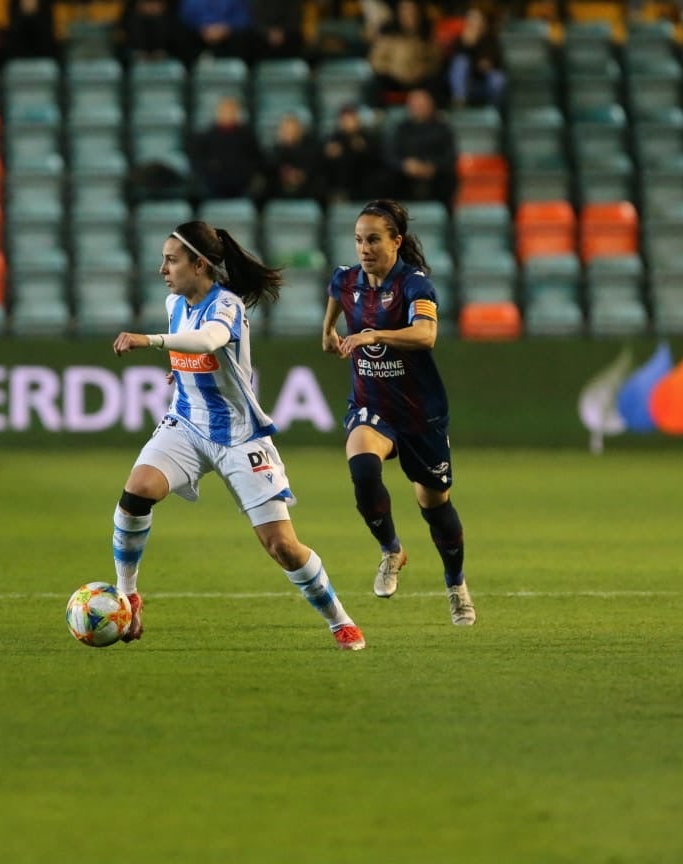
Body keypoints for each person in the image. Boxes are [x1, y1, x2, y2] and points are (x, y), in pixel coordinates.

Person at [110, 221, 367, 651]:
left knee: (282, 546)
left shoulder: (226, 304)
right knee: (136, 492)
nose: (162, 269)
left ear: (200, 263)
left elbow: (209, 340)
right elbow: (192, 348)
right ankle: (127, 595)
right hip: (187, 425)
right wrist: (178, 369)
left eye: (171, 260)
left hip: (240, 437)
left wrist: (149, 340)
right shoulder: (175, 302)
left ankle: (340, 620)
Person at [320, 199, 475, 627]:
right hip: (371, 404)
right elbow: (336, 294)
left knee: (434, 503)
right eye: (358, 240)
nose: (364, 248)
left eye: (373, 239)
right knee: (363, 469)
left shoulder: (415, 285)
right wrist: (329, 331)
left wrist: (372, 334)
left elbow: (426, 335)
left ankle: (456, 584)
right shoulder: (346, 279)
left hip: (419, 413)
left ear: (396, 242)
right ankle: (391, 550)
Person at [383, 87, 458, 204]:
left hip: (435, 175)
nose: (419, 108)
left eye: (422, 105)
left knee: (449, 178)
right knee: (386, 178)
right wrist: (405, 165)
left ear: (431, 106)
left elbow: (450, 156)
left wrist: (432, 167)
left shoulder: (442, 129)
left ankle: (447, 218)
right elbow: (390, 155)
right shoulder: (400, 129)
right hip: (405, 175)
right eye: (415, 105)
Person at [187, 96, 265, 200]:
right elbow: (198, 162)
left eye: (231, 111)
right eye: (225, 111)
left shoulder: (247, 136)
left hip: (242, 184)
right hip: (214, 184)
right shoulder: (206, 136)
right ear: (218, 113)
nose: (228, 115)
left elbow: (257, 159)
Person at [322, 104, 379, 204]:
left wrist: (362, 150)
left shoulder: (367, 137)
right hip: (340, 182)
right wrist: (328, 155)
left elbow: (376, 160)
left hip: (363, 180)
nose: (348, 123)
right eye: (345, 120)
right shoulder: (334, 138)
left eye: (351, 119)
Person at [264, 112, 325, 201]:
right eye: (285, 129)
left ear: (299, 131)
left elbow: (311, 170)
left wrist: (299, 176)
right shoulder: (275, 151)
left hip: (307, 191)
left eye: (292, 129)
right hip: (280, 192)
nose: (289, 133)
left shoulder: (310, 148)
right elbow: (271, 170)